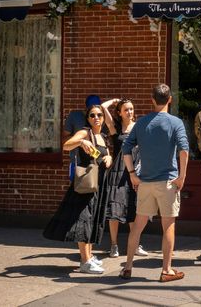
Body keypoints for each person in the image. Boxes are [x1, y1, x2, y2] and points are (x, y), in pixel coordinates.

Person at [119, 84, 189, 282]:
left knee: (137, 226)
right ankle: (166, 270)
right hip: (168, 182)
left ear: (152, 99)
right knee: (168, 226)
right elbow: (184, 150)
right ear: (170, 99)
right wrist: (182, 176)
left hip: (146, 183)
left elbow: (126, 149)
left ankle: (128, 267)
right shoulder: (176, 123)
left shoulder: (141, 123)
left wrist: (132, 173)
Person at [43, 104, 113, 274]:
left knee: (92, 220)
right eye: (92, 115)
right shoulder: (85, 132)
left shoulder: (103, 136)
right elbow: (66, 145)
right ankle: (85, 260)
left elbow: (106, 154)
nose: (96, 118)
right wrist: (81, 142)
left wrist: (109, 157)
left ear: (103, 118)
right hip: (86, 184)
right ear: (87, 119)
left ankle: (88, 257)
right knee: (84, 221)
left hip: (99, 184)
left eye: (99, 115)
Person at [100, 98, 148, 258]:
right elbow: (102, 107)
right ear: (120, 113)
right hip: (118, 173)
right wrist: (114, 101)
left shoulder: (139, 127)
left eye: (131, 109)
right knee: (114, 209)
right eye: (126, 109)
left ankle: (135, 245)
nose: (129, 112)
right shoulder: (116, 129)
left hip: (135, 171)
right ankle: (114, 245)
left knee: (134, 209)